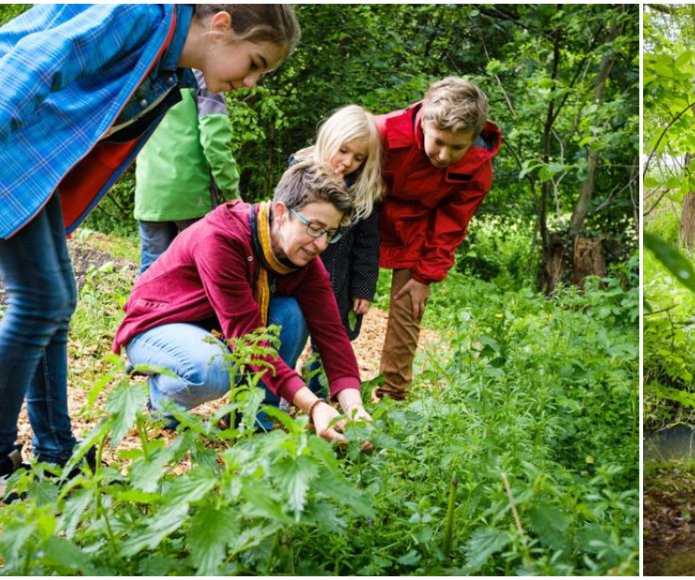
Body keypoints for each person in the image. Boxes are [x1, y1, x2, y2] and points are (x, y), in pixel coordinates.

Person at [0, 5, 300, 481]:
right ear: (221, 25)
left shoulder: (170, 69)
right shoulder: (143, 14)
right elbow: (35, 59)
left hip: (37, 168)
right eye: (255, 63)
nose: (251, 83)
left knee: (56, 301)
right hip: (13, 148)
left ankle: (57, 452)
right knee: (41, 301)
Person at [113, 160, 371, 443]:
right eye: (315, 228)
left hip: (214, 331)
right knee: (211, 370)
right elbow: (248, 341)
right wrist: (315, 406)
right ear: (282, 213)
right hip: (157, 324)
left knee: (291, 314)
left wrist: (355, 409)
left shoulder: (303, 260)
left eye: (329, 234)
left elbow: (332, 334)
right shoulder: (222, 238)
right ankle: (162, 400)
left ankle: (255, 421)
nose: (320, 244)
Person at [374, 77, 502, 401]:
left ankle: (392, 399)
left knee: (409, 309)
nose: (444, 155)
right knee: (339, 301)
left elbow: (452, 223)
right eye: (438, 142)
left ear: (473, 139)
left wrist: (425, 276)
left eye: (457, 147)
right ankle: (325, 389)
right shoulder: (382, 132)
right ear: (424, 122)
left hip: (418, 231)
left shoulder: (478, 167)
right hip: (367, 219)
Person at [134, 69, 241, 274]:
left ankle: (142, 307)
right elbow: (214, 142)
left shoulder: (148, 72)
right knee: (200, 272)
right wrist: (231, 194)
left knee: (151, 273)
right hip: (193, 192)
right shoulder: (206, 76)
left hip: (150, 191)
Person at [292, 105, 385, 341]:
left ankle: (319, 379)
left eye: (358, 157)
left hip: (336, 279)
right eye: (343, 150)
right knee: (288, 329)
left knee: (330, 339)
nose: (348, 161)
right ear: (329, 139)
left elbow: (367, 245)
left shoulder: (363, 192)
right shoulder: (300, 171)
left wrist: (363, 287)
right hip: (294, 274)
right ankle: (281, 377)